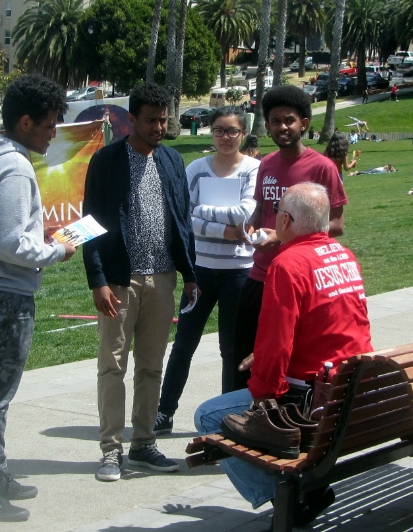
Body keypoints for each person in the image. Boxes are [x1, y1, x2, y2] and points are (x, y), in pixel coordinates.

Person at [195, 183, 372, 526]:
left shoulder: (287, 264)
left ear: (287, 221)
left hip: (311, 399)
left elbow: (277, 344)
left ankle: (291, 498)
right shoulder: (343, 255)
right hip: (354, 388)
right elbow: (341, 327)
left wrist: (263, 398)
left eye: (277, 212)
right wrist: (261, 355)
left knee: (208, 416)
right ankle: (299, 494)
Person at [0, 74, 76, 521]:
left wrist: (32, 235)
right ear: (25, 122)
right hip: (1, 293)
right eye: (48, 124)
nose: (53, 133)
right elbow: (5, 241)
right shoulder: (15, 166)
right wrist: (55, 251)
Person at [83, 82, 198, 482]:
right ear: (130, 120)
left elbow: (181, 222)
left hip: (162, 278)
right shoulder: (107, 161)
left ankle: (144, 443)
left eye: (163, 119)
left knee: (151, 366)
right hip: (119, 280)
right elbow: (90, 225)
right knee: (112, 365)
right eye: (150, 120)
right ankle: (110, 451)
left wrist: (189, 274)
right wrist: (97, 280)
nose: (158, 127)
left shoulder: (171, 161)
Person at [231, 85, 347, 391]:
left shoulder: (323, 168)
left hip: (299, 279)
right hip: (259, 275)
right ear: (267, 126)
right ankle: (234, 419)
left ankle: (275, 422)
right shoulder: (266, 165)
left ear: (304, 124)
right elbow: (260, 214)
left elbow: (335, 225)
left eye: (289, 120)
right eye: (275, 121)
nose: (282, 127)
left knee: (284, 358)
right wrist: (250, 230)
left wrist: (282, 240)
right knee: (240, 356)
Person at [154, 107, 260, 435]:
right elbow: (181, 216)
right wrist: (223, 230)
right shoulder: (197, 169)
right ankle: (164, 411)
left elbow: (245, 212)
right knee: (184, 343)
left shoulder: (254, 169)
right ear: (209, 132)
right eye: (218, 130)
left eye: (231, 131)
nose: (225, 137)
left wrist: (201, 212)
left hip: (239, 271)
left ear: (243, 133)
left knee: (231, 349)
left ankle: (231, 416)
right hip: (200, 270)